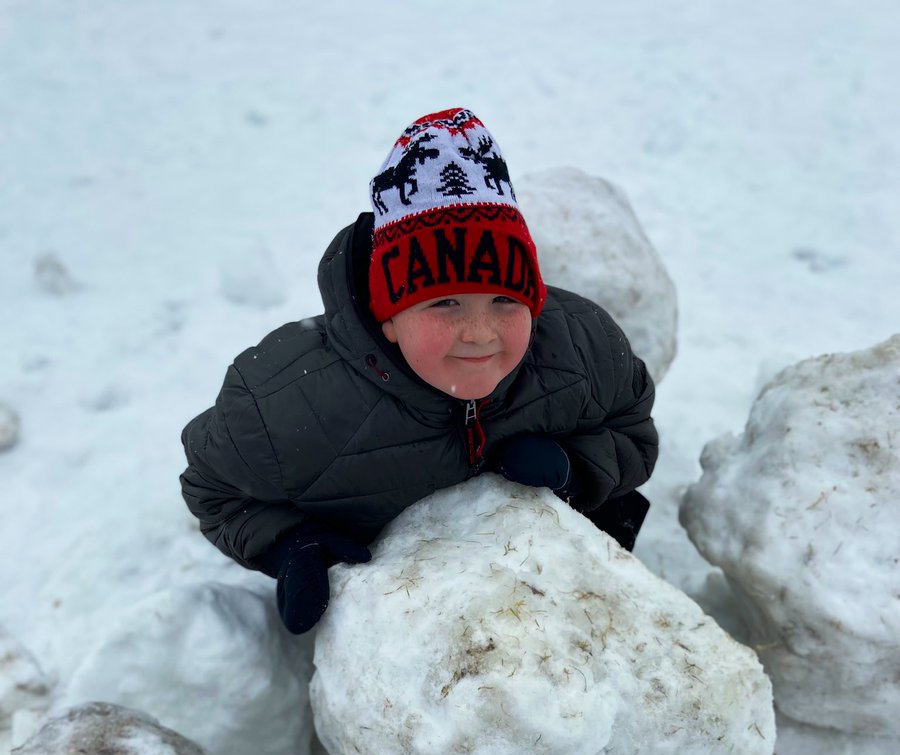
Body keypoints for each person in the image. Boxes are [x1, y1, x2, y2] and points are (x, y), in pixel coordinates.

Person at [180, 108, 658, 635]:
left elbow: (633, 431)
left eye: (505, 299)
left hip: (563, 609)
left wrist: (575, 468)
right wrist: (290, 543)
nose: (480, 331)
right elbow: (215, 491)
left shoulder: (581, 346)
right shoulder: (286, 406)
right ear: (388, 316)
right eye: (446, 303)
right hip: (410, 634)